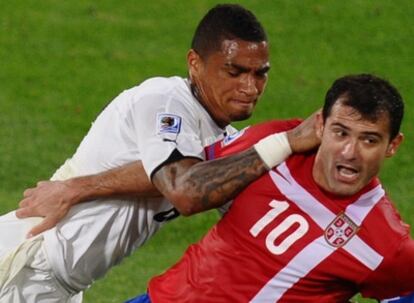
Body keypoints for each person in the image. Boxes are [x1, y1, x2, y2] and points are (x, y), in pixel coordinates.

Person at [0, 4, 318, 302]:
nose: (250, 88)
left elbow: (213, 180)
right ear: (195, 63)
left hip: (56, 282)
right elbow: (184, 188)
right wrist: (285, 143)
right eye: (234, 72)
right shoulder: (166, 103)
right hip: (25, 266)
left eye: (260, 73)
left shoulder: (216, 144)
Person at [126, 74, 414, 303]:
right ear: (320, 126)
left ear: (392, 145)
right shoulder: (276, 145)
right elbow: (181, 174)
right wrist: (84, 186)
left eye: (369, 140)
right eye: (340, 132)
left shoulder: (385, 242)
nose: (349, 151)